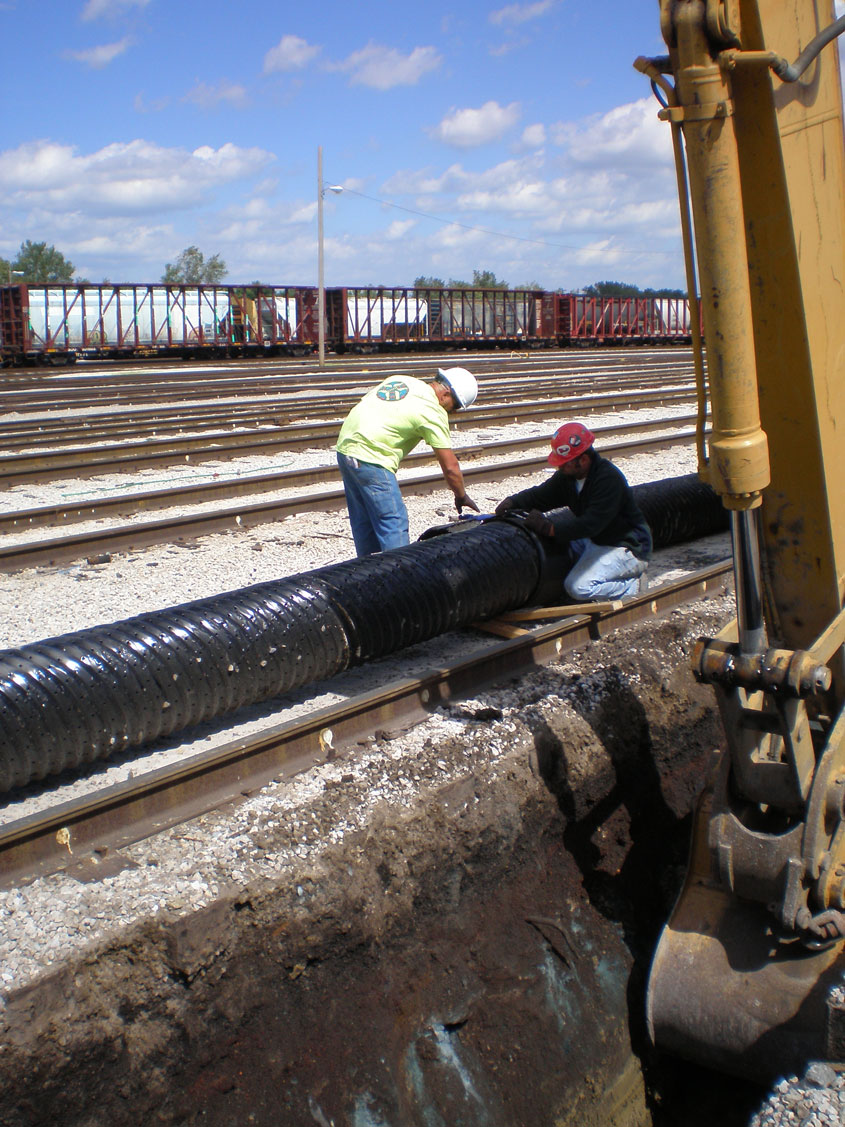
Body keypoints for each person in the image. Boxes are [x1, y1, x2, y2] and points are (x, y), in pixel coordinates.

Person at [495, 421, 651, 601]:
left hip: (625, 546)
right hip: (596, 539)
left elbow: (591, 524)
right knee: (556, 558)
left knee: (578, 587)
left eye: (564, 464)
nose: (560, 468)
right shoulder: (569, 476)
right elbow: (542, 495)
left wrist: (550, 529)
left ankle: (632, 586)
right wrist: (513, 502)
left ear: (583, 460)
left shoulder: (608, 479)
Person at [335, 366, 480, 556]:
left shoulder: (403, 380)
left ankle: (366, 576)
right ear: (446, 394)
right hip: (372, 457)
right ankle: (399, 576)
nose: (452, 412)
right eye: (455, 406)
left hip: (345, 448)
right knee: (393, 522)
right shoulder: (433, 411)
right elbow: (450, 467)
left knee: (364, 522)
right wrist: (461, 496)